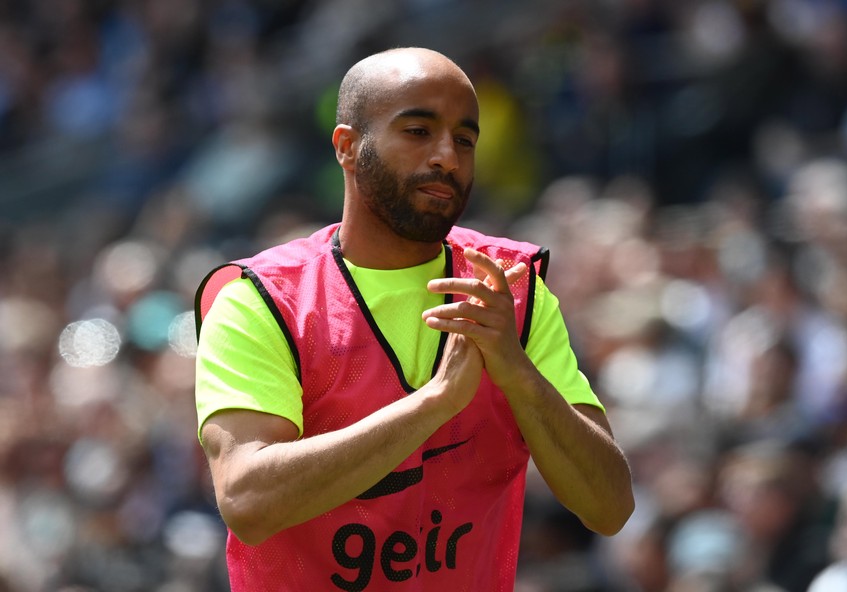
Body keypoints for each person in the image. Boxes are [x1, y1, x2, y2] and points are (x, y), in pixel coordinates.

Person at [194, 46, 634, 591]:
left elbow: (610, 507)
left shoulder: (512, 291)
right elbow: (247, 499)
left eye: (465, 139)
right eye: (418, 131)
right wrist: (434, 404)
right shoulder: (262, 300)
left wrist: (517, 373)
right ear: (348, 148)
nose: (447, 157)